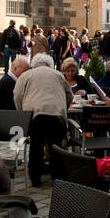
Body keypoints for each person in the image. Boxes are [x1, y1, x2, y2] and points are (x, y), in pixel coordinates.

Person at [12, 53, 73, 188]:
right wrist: (64, 108)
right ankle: (57, 177)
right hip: (56, 115)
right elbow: (70, 95)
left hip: (35, 115)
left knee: (36, 146)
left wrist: (22, 112)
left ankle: (35, 178)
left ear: (34, 64)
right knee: (55, 147)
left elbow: (17, 95)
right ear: (49, 63)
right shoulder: (58, 74)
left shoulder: (26, 75)